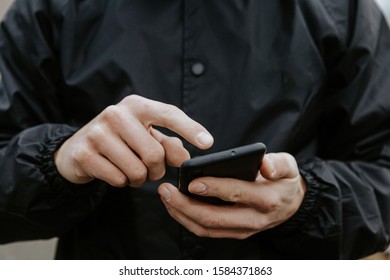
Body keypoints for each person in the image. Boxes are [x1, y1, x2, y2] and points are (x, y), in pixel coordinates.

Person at [0, 0, 389, 260]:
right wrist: (59, 161)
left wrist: (306, 200)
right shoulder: (50, 8)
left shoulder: (343, 8)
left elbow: (382, 169)